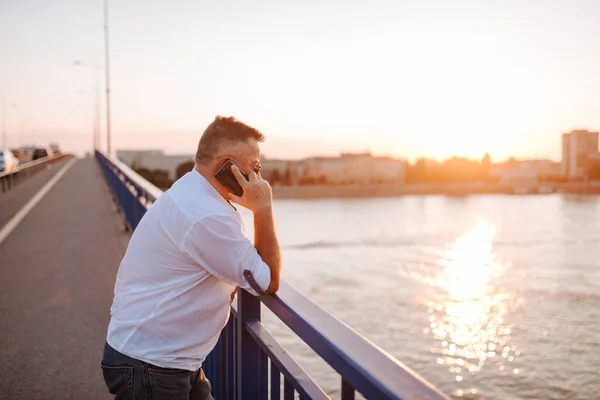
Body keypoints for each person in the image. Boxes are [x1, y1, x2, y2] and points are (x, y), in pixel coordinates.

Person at [101, 116, 282, 400]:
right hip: (151, 365)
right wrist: (263, 209)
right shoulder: (206, 215)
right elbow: (265, 283)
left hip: (165, 359)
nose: (258, 178)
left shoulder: (191, 191)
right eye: (255, 167)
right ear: (227, 165)